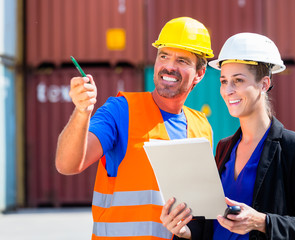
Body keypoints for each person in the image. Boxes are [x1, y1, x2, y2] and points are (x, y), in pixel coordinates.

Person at [55, 17, 214, 240]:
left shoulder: (202, 127)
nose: (169, 66)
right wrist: (82, 112)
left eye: (182, 60)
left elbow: (202, 214)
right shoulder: (121, 111)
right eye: (164, 56)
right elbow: (67, 164)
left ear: (199, 73)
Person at [160, 33, 295, 240]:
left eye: (238, 80)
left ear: (264, 84)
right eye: (224, 81)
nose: (228, 90)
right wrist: (184, 231)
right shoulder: (224, 148)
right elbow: (212, 224)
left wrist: (261, 222)